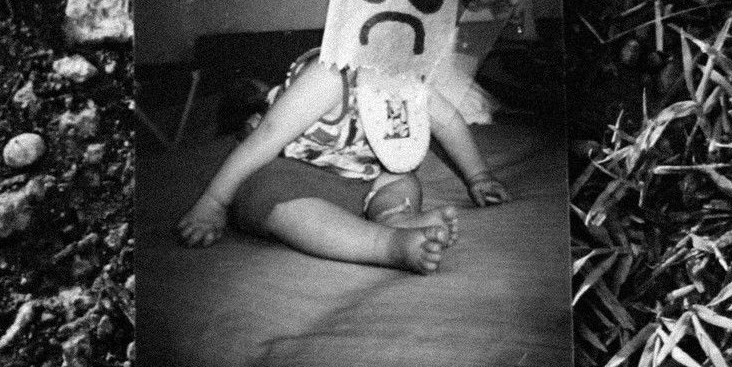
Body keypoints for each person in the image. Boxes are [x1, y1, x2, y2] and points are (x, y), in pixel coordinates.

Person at [176, 49, 511, 274]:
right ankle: (385, 244)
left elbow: (448, 122)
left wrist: (479, 176)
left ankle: (396, 217)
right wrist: (214, 202)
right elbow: (267, 137)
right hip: (302, 179)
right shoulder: (327, 77)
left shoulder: (406, 81)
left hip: (364, 179)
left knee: (401, 178)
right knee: (262, 187)